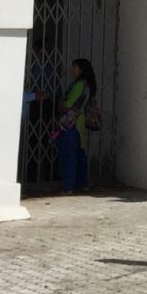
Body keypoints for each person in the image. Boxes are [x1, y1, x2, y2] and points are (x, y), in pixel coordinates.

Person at [57, 58, 96, 193]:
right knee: (79, 156)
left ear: (81, 70)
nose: (72, 71)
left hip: (71, 124)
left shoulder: (79, 85)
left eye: (74, 68)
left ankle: (68, 187)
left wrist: (61, 103)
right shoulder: (87, 85)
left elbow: (68, 105)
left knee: (69, 156)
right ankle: (81, 184)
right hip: (79, 124)